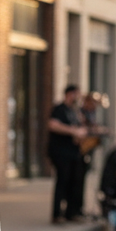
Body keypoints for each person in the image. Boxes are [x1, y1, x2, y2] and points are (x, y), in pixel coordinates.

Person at [47, 84, 86, 223]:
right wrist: (73, 131)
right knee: (62, 181)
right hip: (61, 152)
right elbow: (53, 125)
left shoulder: (74, 111)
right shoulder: (59, 109)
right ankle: (57, 214)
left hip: (74, 152)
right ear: (70, 94)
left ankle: (71, 212)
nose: (78, 97)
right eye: (77, 94)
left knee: (74, 182)